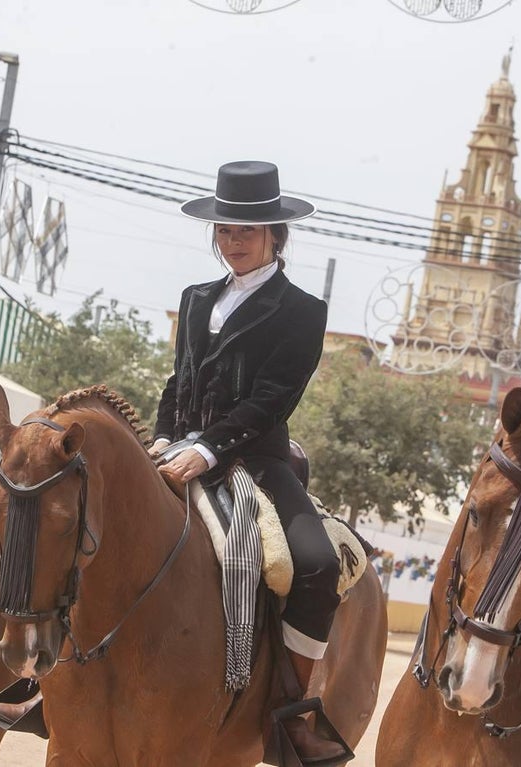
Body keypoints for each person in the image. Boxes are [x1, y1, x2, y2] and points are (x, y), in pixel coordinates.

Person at [151, 160, 343, 762]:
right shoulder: (195, 297)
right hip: (176, 449)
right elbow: (177, 381)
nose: (233, 242)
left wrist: (206, 448)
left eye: (246, 232)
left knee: (317, 567)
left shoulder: (302, 310)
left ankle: (290, 710)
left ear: (275, 235)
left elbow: (273, 397)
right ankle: (55, 674)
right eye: (225, 231)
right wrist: (162, 437)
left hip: (254, 460)